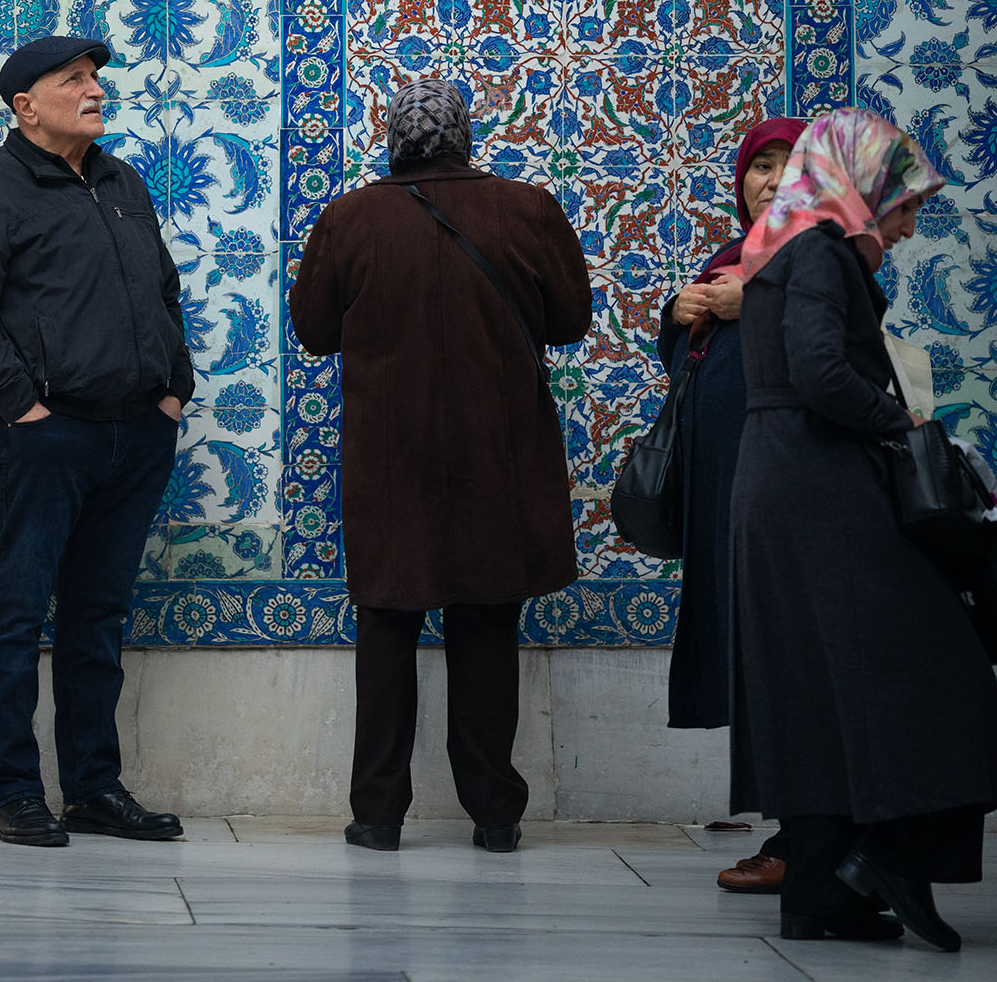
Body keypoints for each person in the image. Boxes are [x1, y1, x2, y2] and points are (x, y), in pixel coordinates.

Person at [289, 78, 591, 853]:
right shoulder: (528, 209)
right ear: (466, 135)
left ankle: (378, 814)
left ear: (394, 137)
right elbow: (569, 320)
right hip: (500, 456)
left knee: (386, 627)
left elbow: (315, 332)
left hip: (390, 466)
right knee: (487, 623)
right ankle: (495, 814)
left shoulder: (350, 217)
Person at [730, 107, 997, 950]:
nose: (910, 226)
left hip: (786, 482)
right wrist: (901, 426)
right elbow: (817, 368)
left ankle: (824, 892)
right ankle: (887, 854)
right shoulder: (819, 252)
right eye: (904, 204)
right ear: (859, 184)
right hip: (820, 487)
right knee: (946, 660)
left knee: (814, 693)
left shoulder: (783, 248)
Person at [0, 36, 194, 848]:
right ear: (25, 105)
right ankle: (11, 794)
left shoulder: (121, 181)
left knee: (98, 618)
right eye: (72, 81)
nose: (94, 91)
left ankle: (91, 788)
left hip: (135, 437)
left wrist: (171, 392)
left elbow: (162, 290)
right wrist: (25, 410)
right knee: (16, 612)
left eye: (96, 79)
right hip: (47, 440)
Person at [657, 116, 804, 895]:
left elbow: (843, 348)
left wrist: (762, 304)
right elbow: (695, 364)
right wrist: (679, 317)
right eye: (759, 166)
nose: (772, 181)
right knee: (748, 659)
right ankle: (787, 829)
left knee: (781, 659)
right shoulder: (732, 259)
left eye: (789, 165)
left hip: (785, 498)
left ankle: (800, 836)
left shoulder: (819, 259)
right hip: (728, 497)